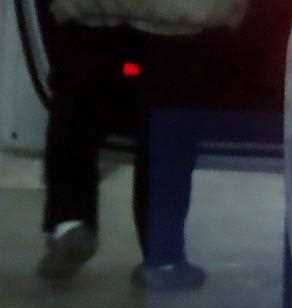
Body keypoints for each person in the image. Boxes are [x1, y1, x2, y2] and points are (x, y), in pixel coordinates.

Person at [38, 0, 250, 289]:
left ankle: (69, 221)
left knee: (75, 113)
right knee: (166, 132)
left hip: (90, 22)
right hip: (182, 30)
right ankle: (162, 256)